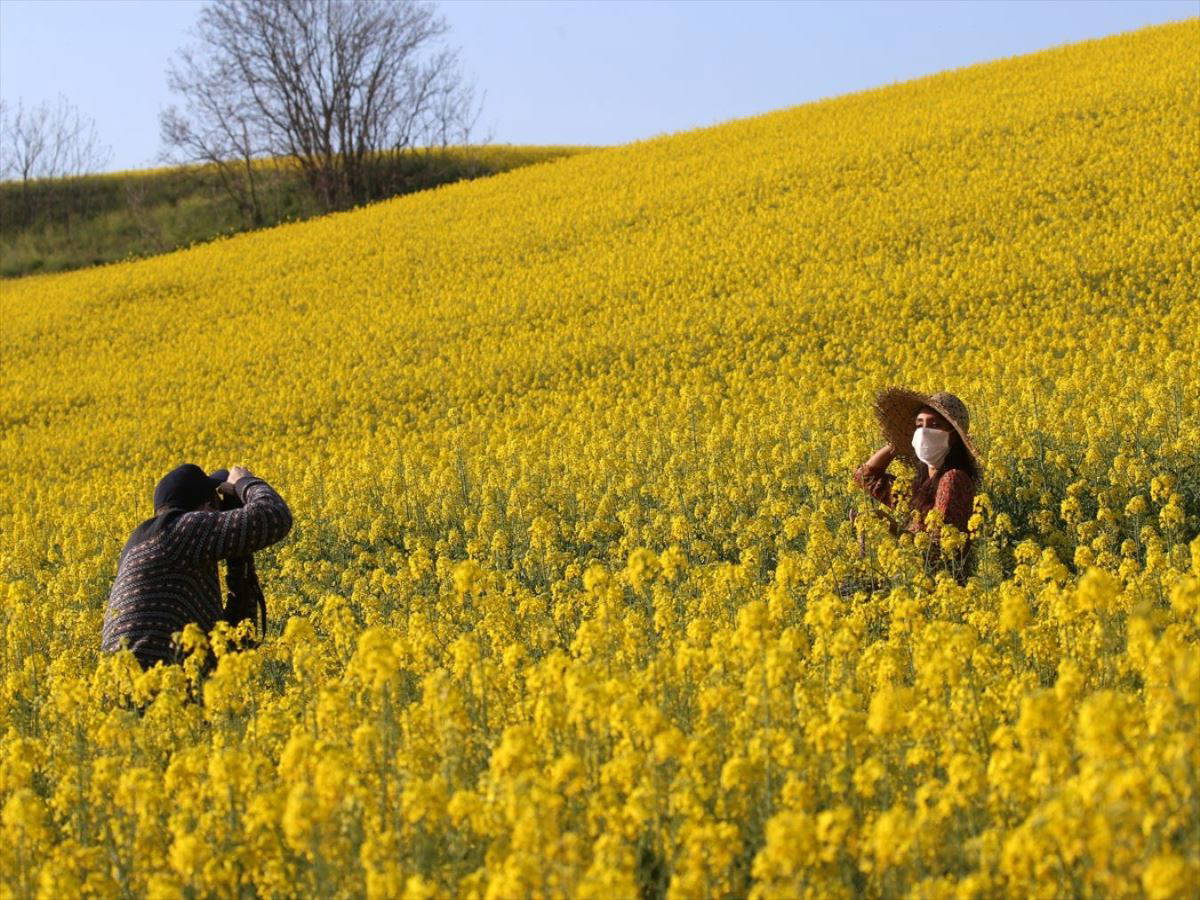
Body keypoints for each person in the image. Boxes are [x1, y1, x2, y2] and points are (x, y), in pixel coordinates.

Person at [101, 463, 293, 670]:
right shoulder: (178, 530)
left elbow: (236, 645)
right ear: (206, 508)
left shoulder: (146, 547)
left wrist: (238, 557)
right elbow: (275, 516)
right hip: (153, 688)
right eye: (216, 503)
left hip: (129, 687)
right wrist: (243, 483)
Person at [851, 388, 981, 582]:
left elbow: (940, 549)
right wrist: (897, 443)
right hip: (916, 581)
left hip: (940, 586)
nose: (924, 432)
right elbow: (865, 477)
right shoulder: (921, 487)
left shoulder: (953, 479)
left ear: (953, 436)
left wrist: (890, 527)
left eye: (934, 425)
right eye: (919, 426)